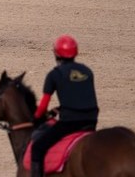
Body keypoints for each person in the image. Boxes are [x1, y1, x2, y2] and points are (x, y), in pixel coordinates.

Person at [30, 35, 99, 177]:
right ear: (76, 52)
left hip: (70, 123)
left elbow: (43, 106)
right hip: (91, 122)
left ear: (56, 54)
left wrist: (36, 118)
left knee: (37, 148)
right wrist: (60, 109)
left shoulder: (54, 75)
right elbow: (82, 97)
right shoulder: (86, 71)